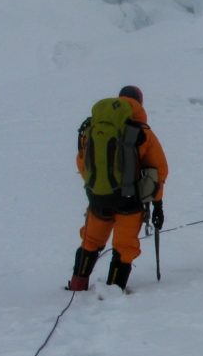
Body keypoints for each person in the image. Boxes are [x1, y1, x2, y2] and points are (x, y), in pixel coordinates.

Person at [66, 86, 169, 291]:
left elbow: (82, 161)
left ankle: (78, 284)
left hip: (98, 197)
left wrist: (98, 186)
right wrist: (157, 204)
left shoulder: (92, 127)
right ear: (139, 103)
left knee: (91, 240)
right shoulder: (141, 132)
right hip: (129, 201)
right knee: (124, 248)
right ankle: (113, 290)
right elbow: (158, 172)